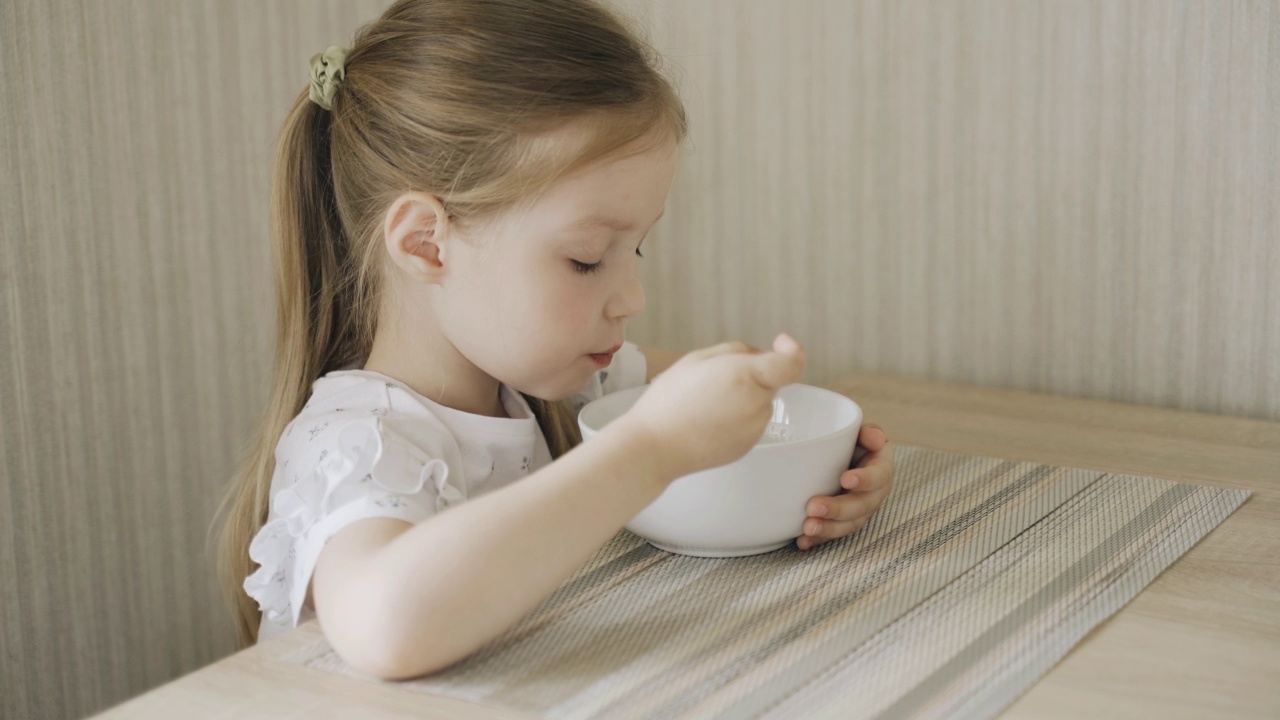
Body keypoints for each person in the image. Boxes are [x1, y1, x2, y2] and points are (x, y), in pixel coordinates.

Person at [215, 0, 895, 681]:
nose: (634, 298)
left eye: (639, 248)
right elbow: (390, 628)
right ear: (426, 243)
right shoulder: (360, 443)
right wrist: (650, 449)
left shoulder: (550, 382)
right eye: (587, 259)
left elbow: (716, 396)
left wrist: (827, 461)